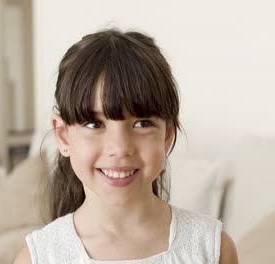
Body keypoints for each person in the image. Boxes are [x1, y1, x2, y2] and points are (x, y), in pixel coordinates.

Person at [14, 28, 238, 264]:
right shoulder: (40, 256)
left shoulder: (212, 248)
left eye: (141, 123)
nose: (120, 148)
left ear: (167, 134)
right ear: (63, 136)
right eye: (94, 124)